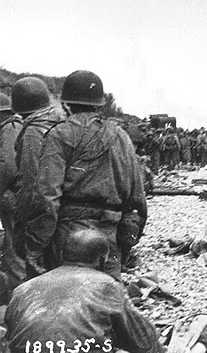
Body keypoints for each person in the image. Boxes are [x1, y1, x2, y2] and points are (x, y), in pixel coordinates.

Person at [23, 70, 147, 280]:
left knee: (66, 293)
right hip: (109, 233)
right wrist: (127, 243)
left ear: (66, 104)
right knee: (107, 294)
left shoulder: (60, 134)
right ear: (99, 104)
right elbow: (137, 199)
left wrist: (36, 245)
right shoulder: (121, 136)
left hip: (69, 235)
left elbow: (46, 196)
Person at [5, 229, 162, 353]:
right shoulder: (107, 285)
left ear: (62, 254)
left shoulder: (23, 289)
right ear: (102, 260)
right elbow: (144, 340)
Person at [10, 77, 66, 278]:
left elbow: (31, 186)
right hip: (65, 217)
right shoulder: (62, 124)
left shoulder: (33, 132)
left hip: (43, 222)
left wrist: (26, 234)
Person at [0, 93, 23, 300]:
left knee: (13, 251)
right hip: (16, 196)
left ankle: (17, 300)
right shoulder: (13, 127)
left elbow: (7, 166)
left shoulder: (9, 129)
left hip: (12, 197)